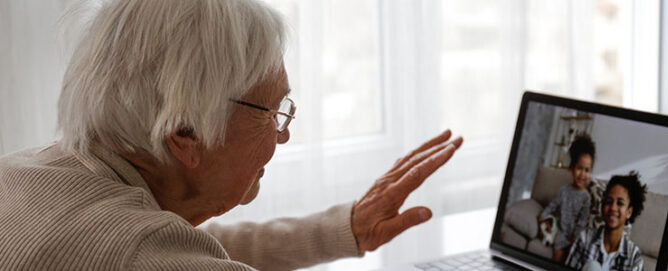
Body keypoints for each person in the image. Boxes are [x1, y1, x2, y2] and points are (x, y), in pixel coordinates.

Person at [0, 0, 463, 270]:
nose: (282, 136)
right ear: (185, 132)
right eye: (272, 111)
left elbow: (188, 246)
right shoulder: (137, 250)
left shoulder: (27, 172)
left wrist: (345, 229)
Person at [565, 172, 647, 271]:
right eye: (609, 202)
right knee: (593, 266)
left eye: (620, 203)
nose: (613, 207)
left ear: (629, 212)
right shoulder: (585, 239)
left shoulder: (634, 256)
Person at [538, 134, 595, 262]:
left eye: (587, 170)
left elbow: (582, 221)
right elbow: (553, 205)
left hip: (576, 236)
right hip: (562, 232)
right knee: (558, 252)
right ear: (572, 168)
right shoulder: (564, 190)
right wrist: (542, 216)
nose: (583, 174)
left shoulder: (586, 197)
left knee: (575, 255)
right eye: (580, 168)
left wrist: (575, 237)